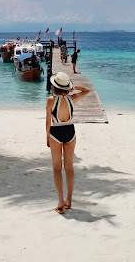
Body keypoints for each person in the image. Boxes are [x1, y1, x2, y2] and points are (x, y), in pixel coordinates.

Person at [46, 71, 90, 214]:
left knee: (57, 168)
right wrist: (73, 88)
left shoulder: (51, 100)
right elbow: (87, 90)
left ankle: (60, 202)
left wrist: (47, 136)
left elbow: (48, 121)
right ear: (66, 87)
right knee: (69, 168)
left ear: (54, 86)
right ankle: (69, 200)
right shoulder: (73, 99)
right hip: (70, 131)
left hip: (56, 131)